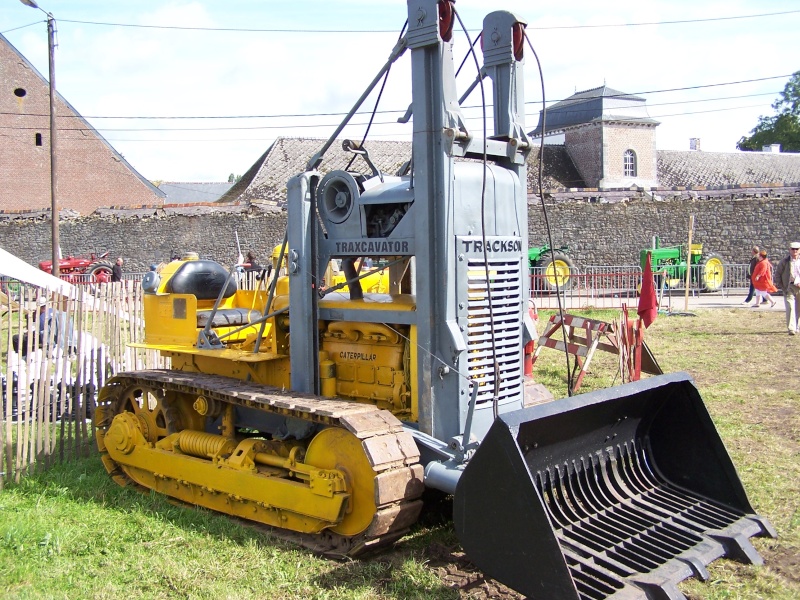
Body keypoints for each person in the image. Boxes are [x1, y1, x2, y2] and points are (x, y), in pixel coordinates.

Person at [775, 241, 800, 336]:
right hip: (789, 287)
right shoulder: (784, 262)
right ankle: (791, 328)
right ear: (789, 250)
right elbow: (777, 275)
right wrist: (783, 286)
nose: (794, 251)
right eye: (793, 249)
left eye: (796, 249)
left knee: (798, 308)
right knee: (790, 307)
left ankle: (797, 326)